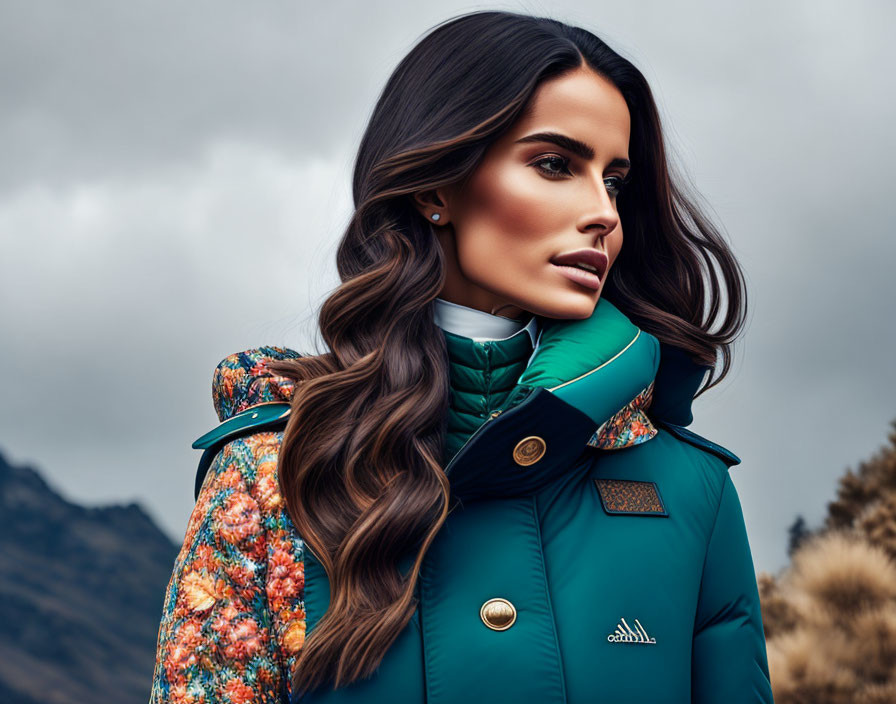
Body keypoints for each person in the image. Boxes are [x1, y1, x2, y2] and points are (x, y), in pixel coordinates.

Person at [150, 9, 774, 704]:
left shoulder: (693, 491)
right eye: (555, 164)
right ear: (434, 187)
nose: (604, 211)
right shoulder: (275, 476)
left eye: (615, 180)